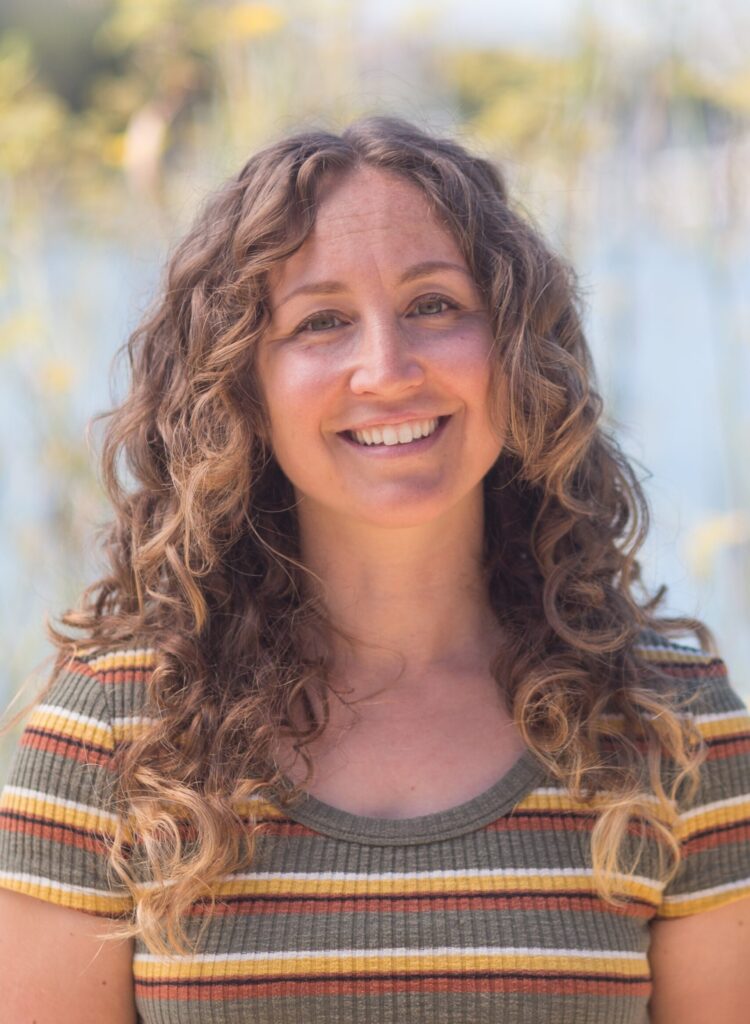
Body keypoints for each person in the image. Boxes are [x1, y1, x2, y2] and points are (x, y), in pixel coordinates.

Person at [0, 116, 748, 1024]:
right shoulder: (116, 736)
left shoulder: (671, 725)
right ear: (239, 388)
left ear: (517, 353)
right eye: (321, 322)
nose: (387, 370)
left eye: (435, 305)